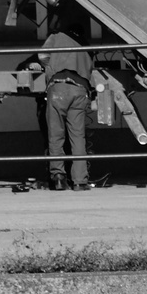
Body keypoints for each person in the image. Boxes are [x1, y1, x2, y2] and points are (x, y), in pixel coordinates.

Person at [38, 17, 94, 190]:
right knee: (78, 137)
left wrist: (51, 66)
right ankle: (80, 181)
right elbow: (91, 69)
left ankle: (59, 178)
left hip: (59, 87)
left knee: (56, 135)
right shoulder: (87, 46)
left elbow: (42, 56)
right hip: (80, 90)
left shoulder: (57, 36)